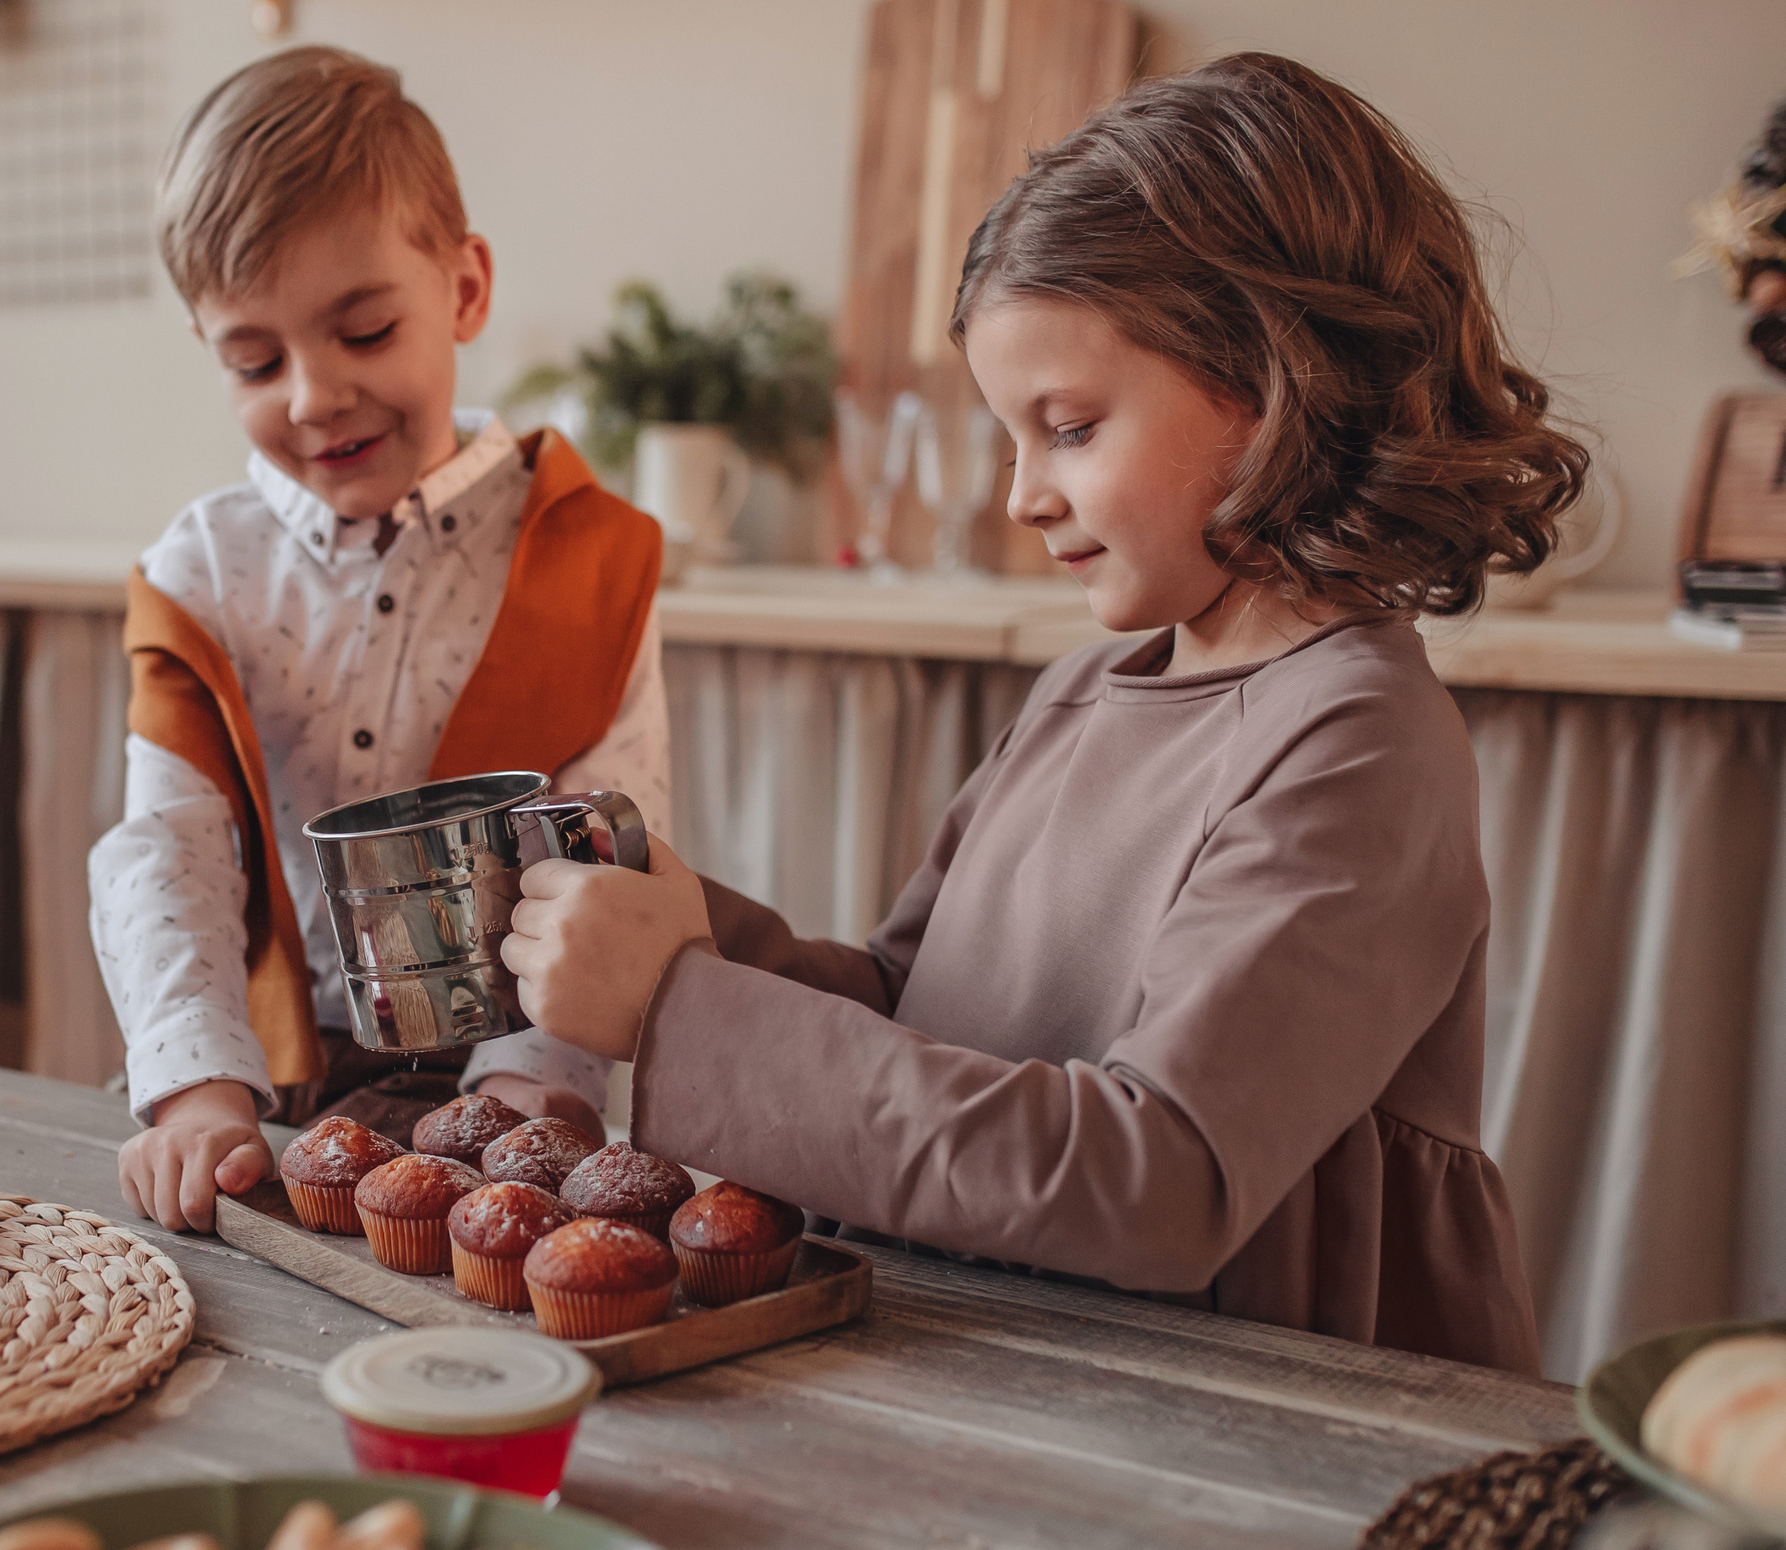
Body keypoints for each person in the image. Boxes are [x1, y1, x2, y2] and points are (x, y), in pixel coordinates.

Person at [499, 53, 1585, 1373]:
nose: (1022, 495)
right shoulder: (1083, 687)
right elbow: (907, 1008)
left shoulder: (1357, 739)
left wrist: (677, 1007)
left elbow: (1159, 1182)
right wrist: (697, 928)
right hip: (1009, 1367)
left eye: (1066, 426)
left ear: (1274, 385)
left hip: (1237, 1428)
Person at [93, 47, 671, 1234]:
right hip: (266, 1079)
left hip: (504, 1081)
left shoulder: (590, 556)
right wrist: (197, 1090)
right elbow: (170, 850)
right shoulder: (194, 577)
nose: (309, 394)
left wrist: (533, 1085)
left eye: (361, 331)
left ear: (462, 292)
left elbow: (602, 851)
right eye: (254, 360)